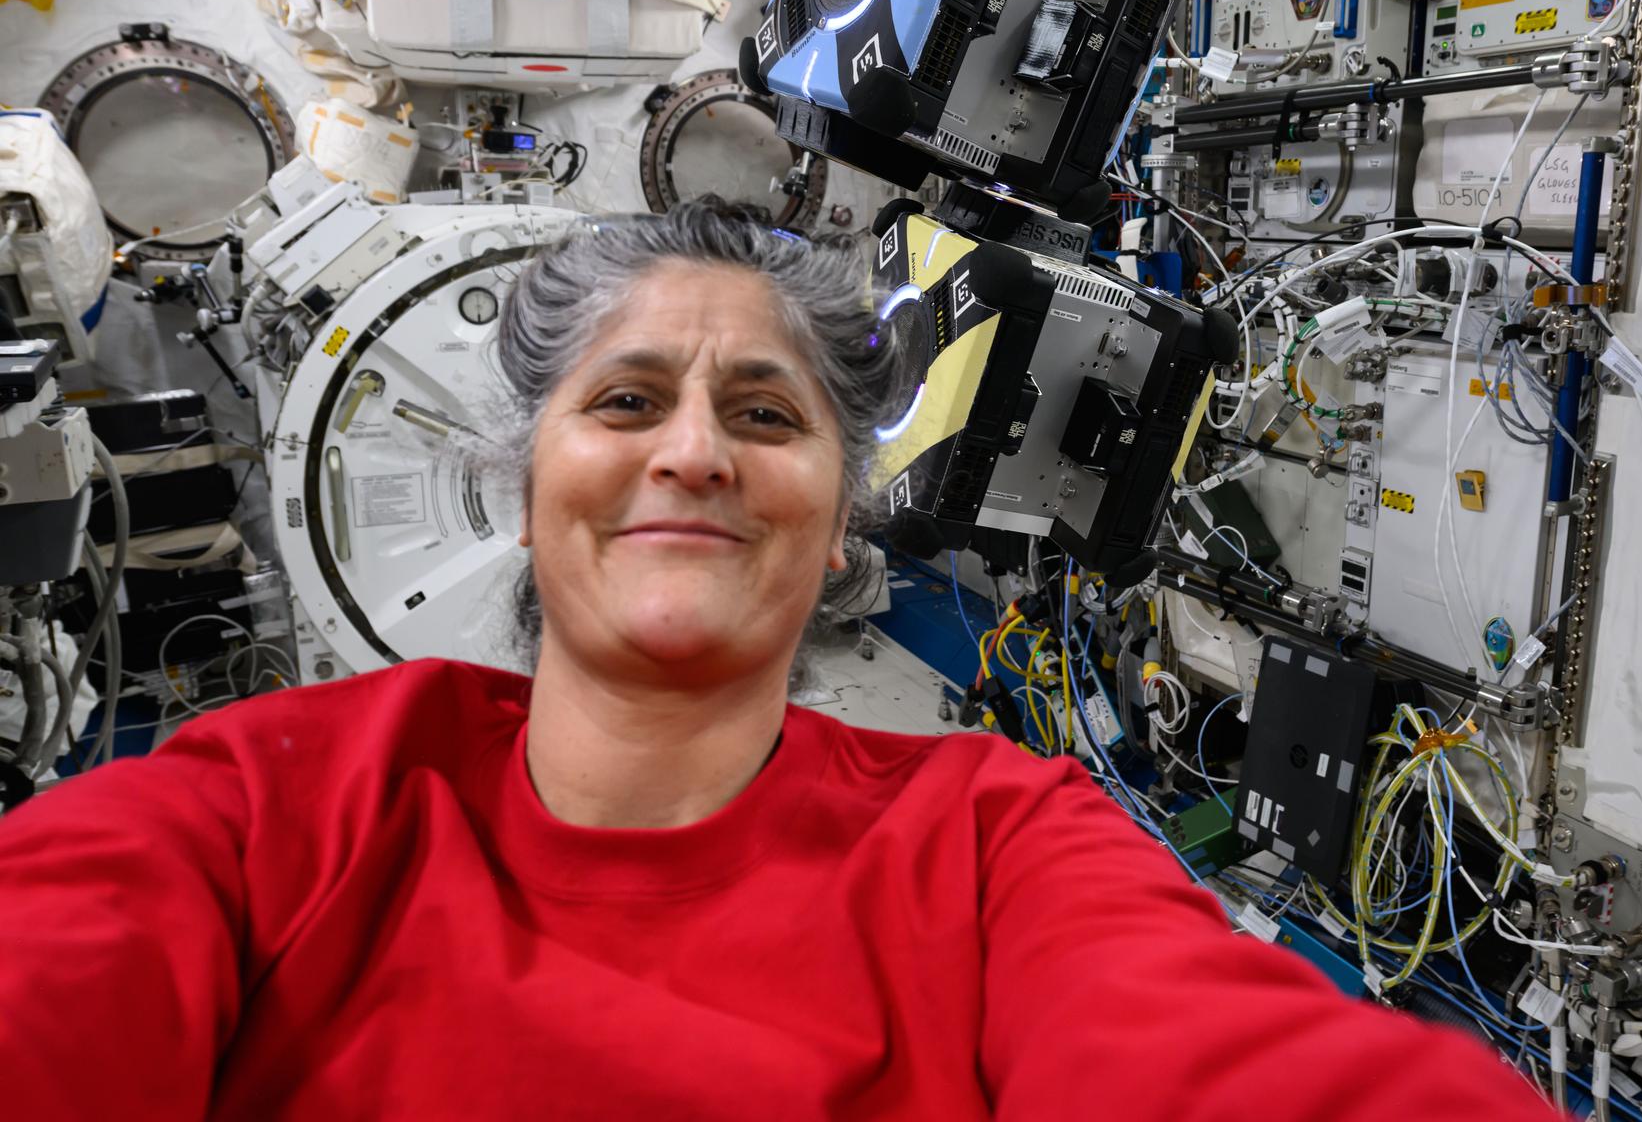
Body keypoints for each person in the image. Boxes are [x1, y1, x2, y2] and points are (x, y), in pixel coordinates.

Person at [0, 202, 1560, 1119]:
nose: (693, 455)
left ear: (840, 525)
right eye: (623, 405)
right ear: (518, 479)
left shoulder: (992, 848)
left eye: (764, 415)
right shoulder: (265, 813)